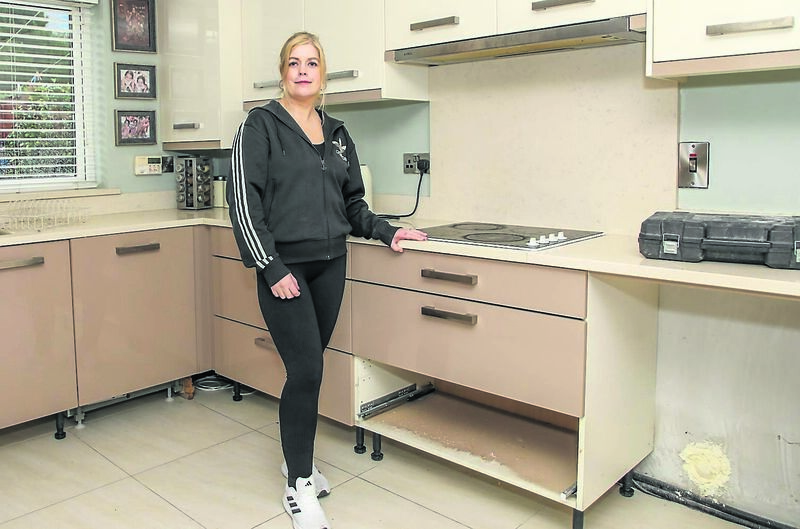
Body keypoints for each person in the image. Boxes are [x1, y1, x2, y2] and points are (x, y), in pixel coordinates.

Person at [227, 31, 427, 529]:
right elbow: (243, 201)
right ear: (282, 72)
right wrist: (270, 266)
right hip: (286, 267)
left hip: (331, 263)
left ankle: (296, 460)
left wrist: (385, 230)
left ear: (323, 73)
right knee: (306, 372)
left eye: (311, 62)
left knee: (310, 369)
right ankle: (298, 484)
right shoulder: (259, 126)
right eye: (294, 62)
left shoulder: (337, 132)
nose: (303, 70)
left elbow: (352, 202)